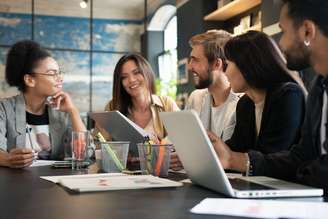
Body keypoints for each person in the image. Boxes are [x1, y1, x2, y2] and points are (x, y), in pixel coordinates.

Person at [210, 0, 328, 191]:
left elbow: (300, 164)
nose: (280, 43)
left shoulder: (290, 95)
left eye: (283, 32)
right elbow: (301, 157)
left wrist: (237, 159)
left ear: (307, 31)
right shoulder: (318, 88)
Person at [208, 30, 306, 172]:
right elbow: (236, 147)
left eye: (228, 64)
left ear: (248, 64)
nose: (225, 72)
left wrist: (231, 157)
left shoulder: (289, 96)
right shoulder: (245, 104)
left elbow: (273, 157)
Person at [0, 40, 86, 168]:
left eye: (59, 72)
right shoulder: (4, 108)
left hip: (54, 184)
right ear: (29, 80)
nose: (60, 78)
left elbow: (84, 152)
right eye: (52, 73)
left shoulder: (62, 111)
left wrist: (73, 111)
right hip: (15, 183)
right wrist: (8, 159)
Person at [94, 53, 179, 147]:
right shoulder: (112, 107)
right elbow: (99, 145)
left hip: (159, 162)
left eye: (136, 72)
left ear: (147, 72)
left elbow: (182, 140)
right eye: (124, 77)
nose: (131, 80)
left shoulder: (167, 104)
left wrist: (161, 147)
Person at [185, 30, 239, 141]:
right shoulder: (195, 98)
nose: (189, 67)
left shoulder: (243, 102)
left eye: (195, 60)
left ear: (217, 64)